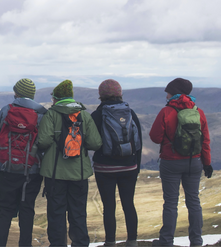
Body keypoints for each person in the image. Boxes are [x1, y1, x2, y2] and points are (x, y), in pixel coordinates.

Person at [37, 80, 102, 247]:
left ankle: (58, 244)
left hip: (54, 174)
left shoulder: (51, 115)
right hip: (78, 174)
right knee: (78, 212)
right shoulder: (84, 115)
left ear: (56, 99)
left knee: (56, 213)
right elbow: (95, 143)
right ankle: (80, 244)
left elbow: (43, 141)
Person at [149, 78, 213, 247]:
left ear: (174, 93)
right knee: (194, 201)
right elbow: (205, 140)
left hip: (171, 162)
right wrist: (207, 163)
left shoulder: (166, 111)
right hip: (194, 161)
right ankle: (197, 241)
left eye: (168, 92)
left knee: (170, 202)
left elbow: (154, 137)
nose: (166, 95)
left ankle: (166, 242)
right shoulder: (198, 112)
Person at [0, 78, 47, 247]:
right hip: (31, 171)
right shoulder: (42, 113)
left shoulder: (6, 110)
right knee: (27, 210)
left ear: (16, 92)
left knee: (5, 211)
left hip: (7, 169)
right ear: (32, 94)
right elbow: (44, 142)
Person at [90, 79, 142, 247]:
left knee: (109, 206)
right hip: (129, 167)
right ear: (120, 94)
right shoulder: (130, 113)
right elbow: (138, 141)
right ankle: (132, 241)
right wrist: (136, 166)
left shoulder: (97, 115)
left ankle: (110, 242)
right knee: (129, 203)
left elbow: (91, 142)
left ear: (101, 95)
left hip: (105, 168)